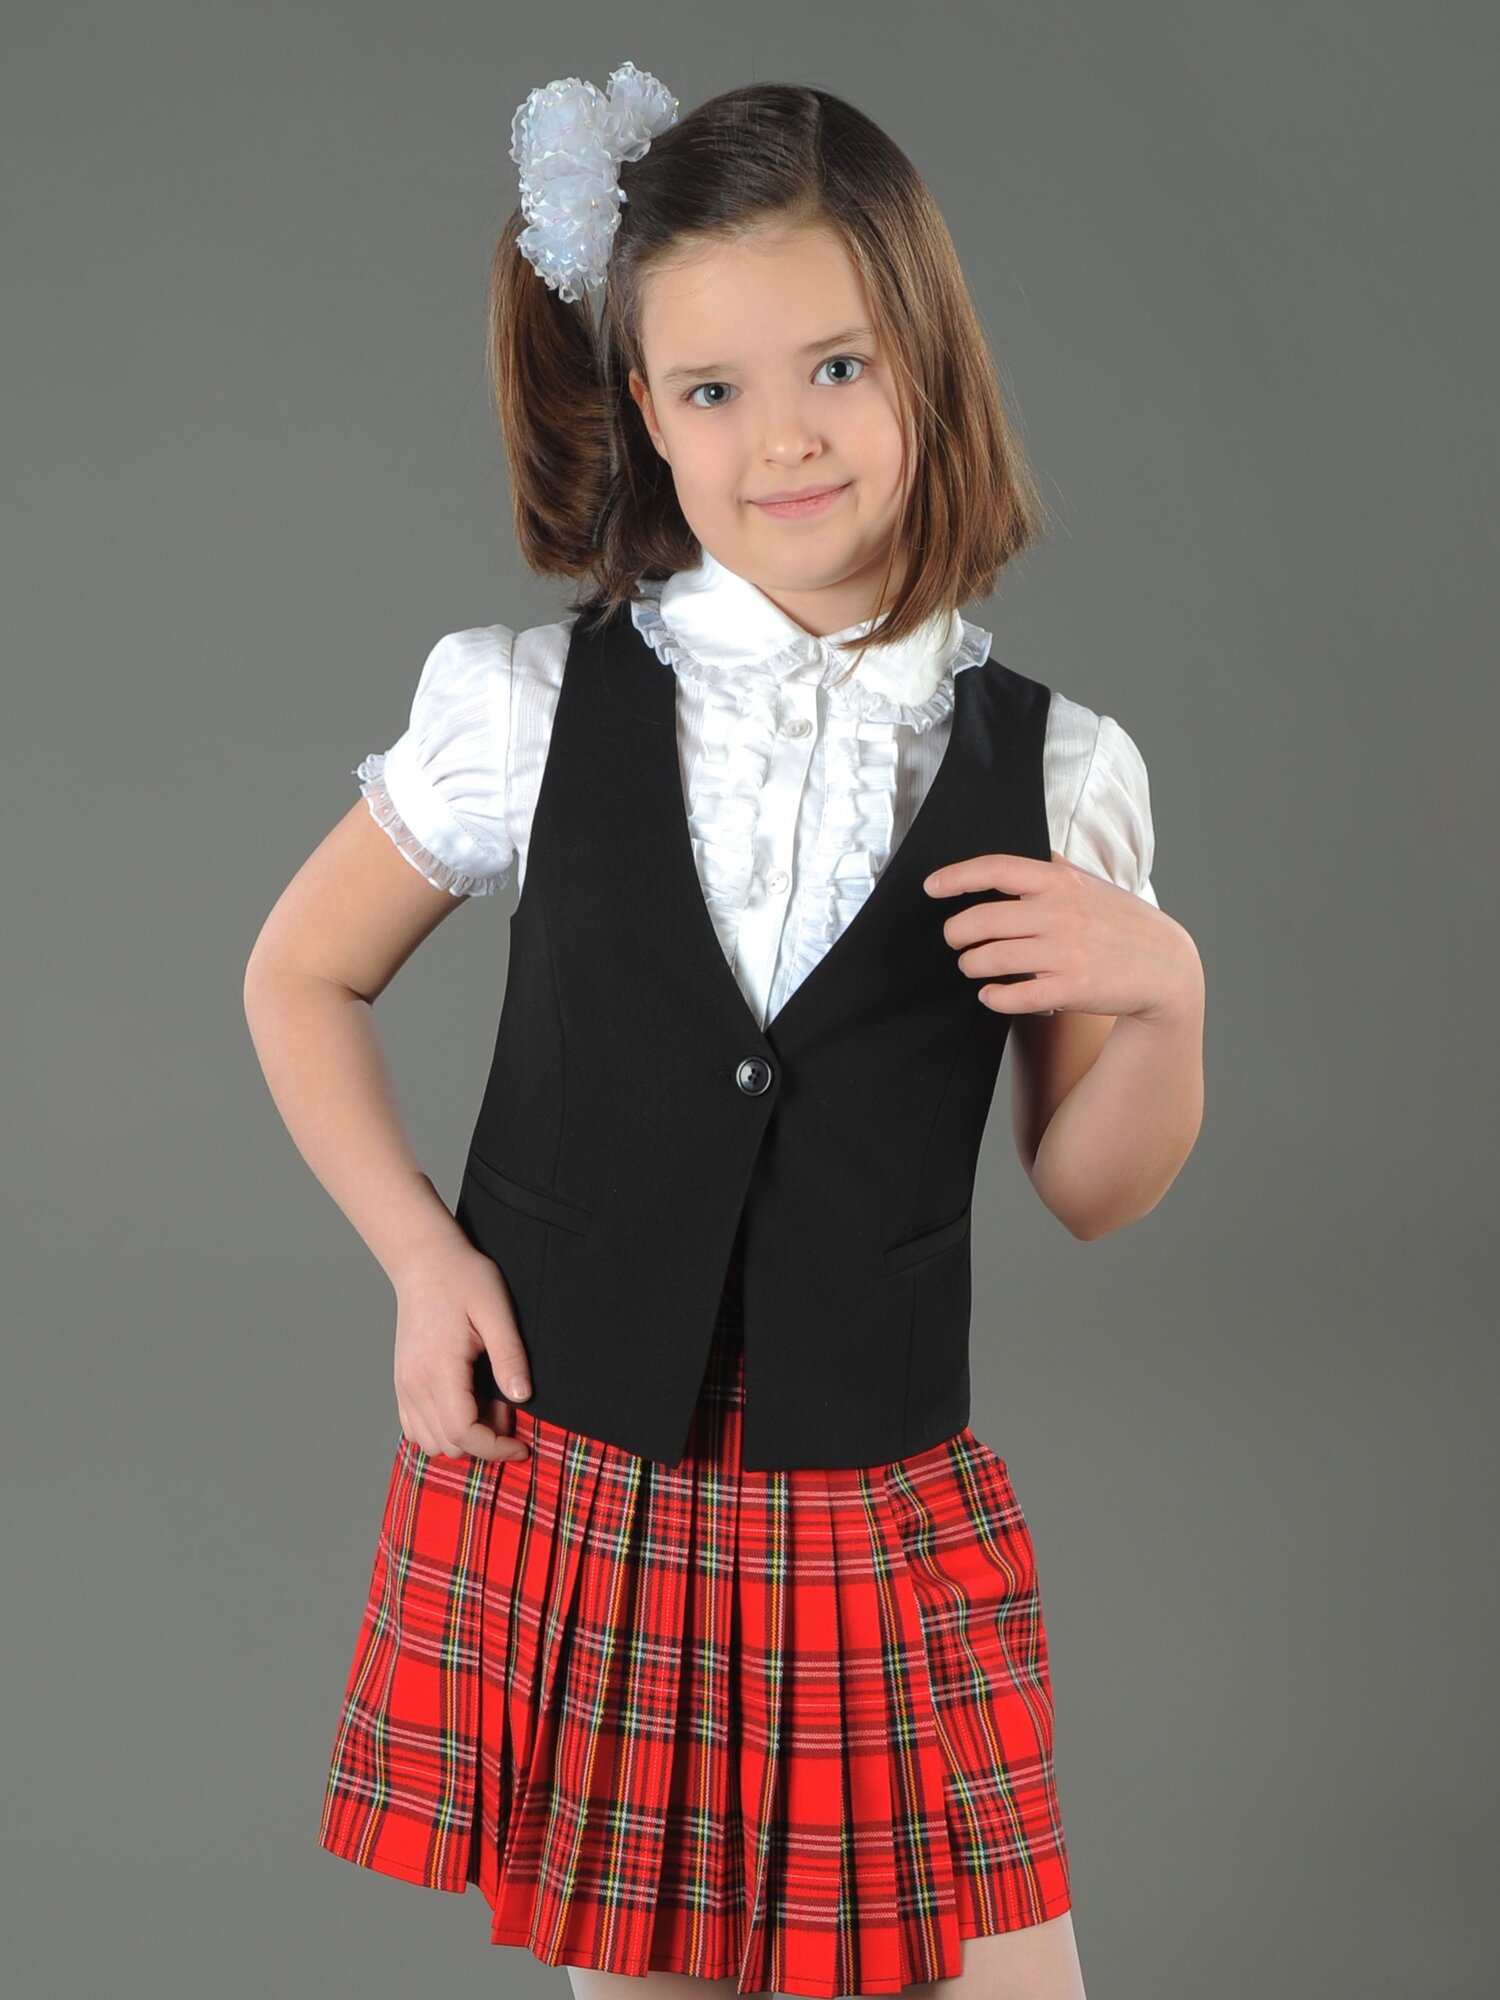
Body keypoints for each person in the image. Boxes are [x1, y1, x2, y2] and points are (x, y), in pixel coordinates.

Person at [243, 63, 1205, 2000]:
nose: (787, 437)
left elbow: (1091, 1187)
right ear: (644, 415)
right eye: (711, 390)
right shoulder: (526, 708)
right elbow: (298, 974)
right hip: (590, 1479)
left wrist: (1170, 993)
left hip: (870, 1495)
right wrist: (422, 1257)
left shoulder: (1059, 768)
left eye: (839, 365)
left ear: (929, 360)